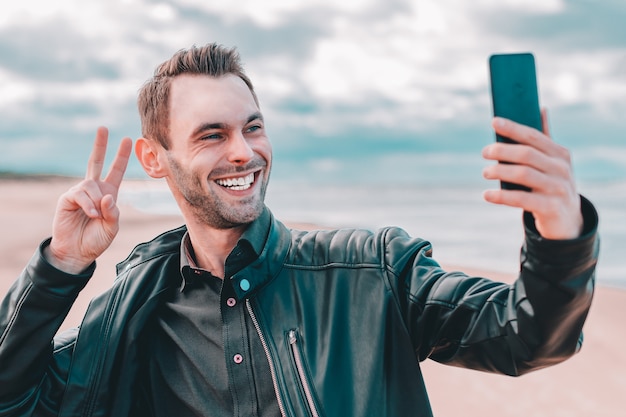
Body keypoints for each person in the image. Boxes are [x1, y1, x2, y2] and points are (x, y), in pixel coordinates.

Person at [0, 43, 598, 417]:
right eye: (212, 135)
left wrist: (559, 232)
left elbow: (527, 336)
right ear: (156, 160)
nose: (244, 152)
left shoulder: (372, 270)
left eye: (252, 128)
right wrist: (60, 268)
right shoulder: (133, 311)